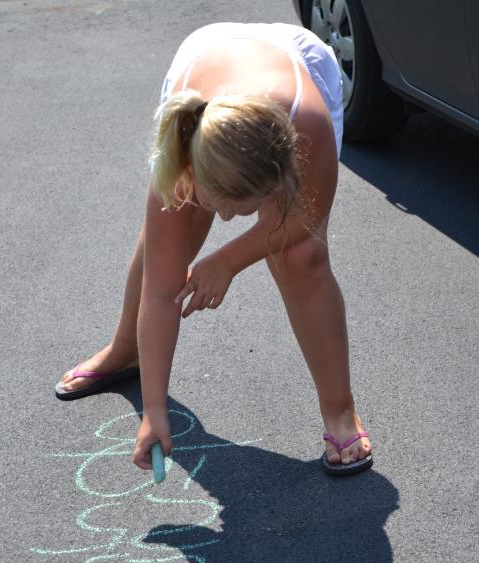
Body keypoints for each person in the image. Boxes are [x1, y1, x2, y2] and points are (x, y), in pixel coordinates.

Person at [55, 22, 373, 476]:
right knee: (167, 239)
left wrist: (228, 260)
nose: (225, 220)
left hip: (290, 69)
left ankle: (340, 409)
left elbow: (304, 219)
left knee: (301, 255)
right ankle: (127, 349)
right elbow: (163, 292)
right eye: (218, 206)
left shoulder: (308, 123)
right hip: (207, 64)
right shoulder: (180, 144)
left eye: (244, 209)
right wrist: (154, 410)